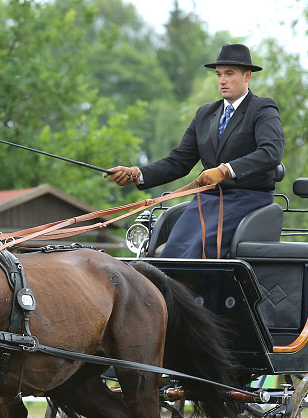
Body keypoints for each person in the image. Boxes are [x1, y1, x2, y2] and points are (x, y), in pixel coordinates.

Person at [105, 43, 284, 259]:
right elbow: (178, 161)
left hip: (247, 199)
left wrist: (226, 170)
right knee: (170, 251)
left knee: (198, 250)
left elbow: (271, 152)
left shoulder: (262, 109)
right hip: (208, 201)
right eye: (218, 74)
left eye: (229, 74)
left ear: (247, 76)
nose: (222, 80)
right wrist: (137, 174)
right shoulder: (205, 114)